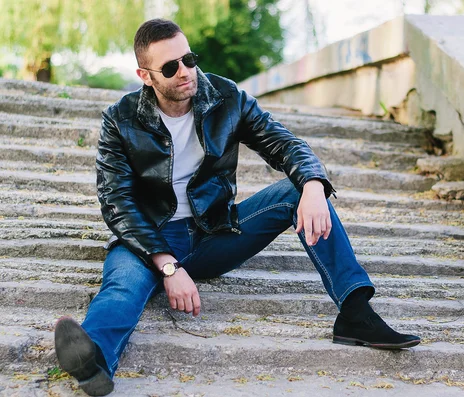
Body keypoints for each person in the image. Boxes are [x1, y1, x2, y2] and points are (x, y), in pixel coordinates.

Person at [53, 18, 421, 396]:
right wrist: (166, 263)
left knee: (299, 192)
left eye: (189, 59)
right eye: (170, 67)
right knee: (122, 288)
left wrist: (312, 185)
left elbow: (284, 143)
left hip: (214, 234)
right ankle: (94, 360)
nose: (185, 72)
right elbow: (116, 202)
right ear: (145, 75)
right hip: (148, 242)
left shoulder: (225, 97)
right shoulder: (121, 118)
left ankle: (356, 313)